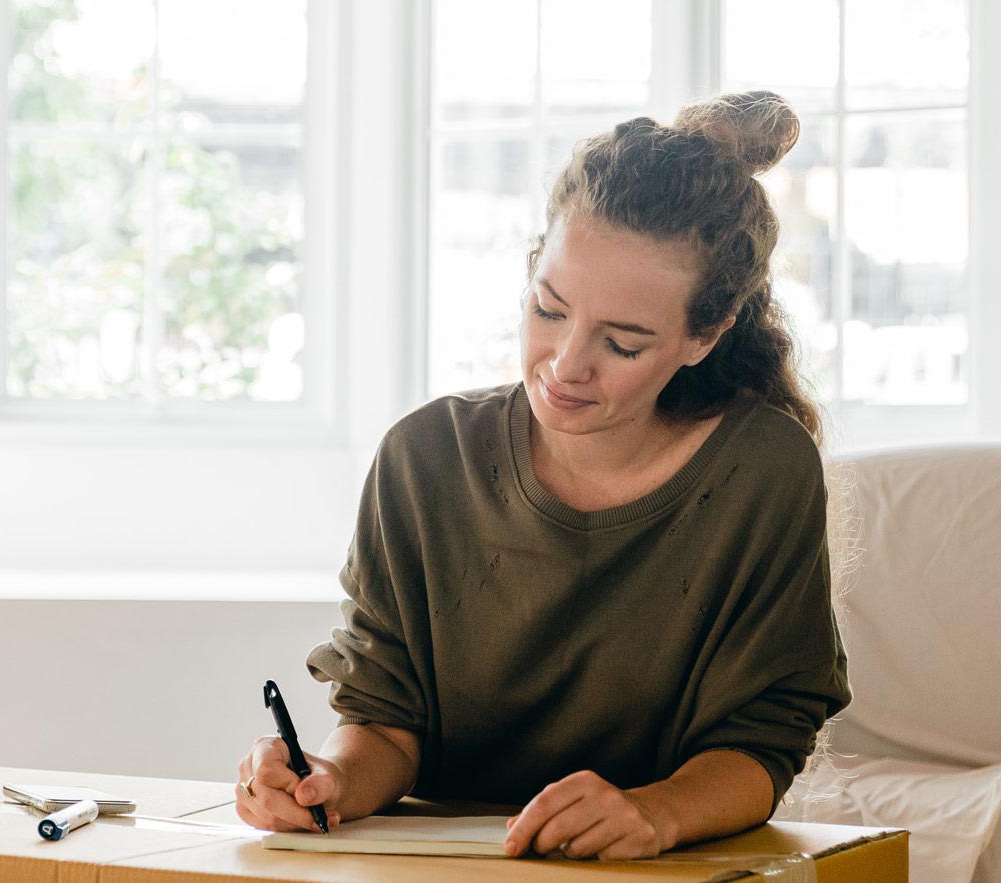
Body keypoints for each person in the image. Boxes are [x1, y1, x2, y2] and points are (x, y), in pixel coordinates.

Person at [234, 91, 850, 862]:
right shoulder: (423, 457)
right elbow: (386, 719)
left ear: (706, 334)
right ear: (532, 270)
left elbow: (763, 739)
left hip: (656, 871)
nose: (565, 366)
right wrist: (324, 779)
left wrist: (652, 812)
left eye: (623, 344)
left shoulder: (763, 471)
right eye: (549, 309)